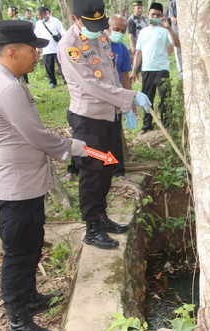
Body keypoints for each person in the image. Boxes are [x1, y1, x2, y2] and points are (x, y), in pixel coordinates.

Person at [0, 20, 88, 331]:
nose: (38, 54)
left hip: (23, 183)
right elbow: (36, 135)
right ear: (11, 51)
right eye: (31, 49)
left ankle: (30, 298)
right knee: (19, 253)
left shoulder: (9, 80)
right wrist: (74, 147)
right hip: (15, 187)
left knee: (31, 244)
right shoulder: (7, 87)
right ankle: (18, 323)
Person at [57, 0, 151, 250]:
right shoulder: (70, 46)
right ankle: (92, 228)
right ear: (76, 19)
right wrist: (131, 97)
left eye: (100, 24)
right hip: (89, 121)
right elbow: (92, 85)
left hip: (109, 116)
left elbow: (109, 74)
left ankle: (101, 216)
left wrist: (123, 106)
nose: (98, 30)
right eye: (91, 25)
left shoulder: (101, 36)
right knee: (93, 172)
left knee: (108, 167)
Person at [130, 2, 180, 135]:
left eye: (158, 15)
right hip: (147, 69)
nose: (155, 16)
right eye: (153, 14)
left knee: (165, 98)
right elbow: (138, 52)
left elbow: (176, 44)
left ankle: (166, 125)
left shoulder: (165, 31)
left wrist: (169, 28)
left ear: (162, 16)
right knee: (147, 99)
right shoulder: (143, 32)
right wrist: (134, 70)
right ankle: (146, 126)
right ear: (148, 14)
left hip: (162, 69)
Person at [109, 14, 134, 179]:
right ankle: (75, 168)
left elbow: (125, 75)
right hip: (98, 97)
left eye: (122, 31)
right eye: (116, 29)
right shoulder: (99, 45)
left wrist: (130, 101)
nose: (119, 33)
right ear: (107, 27)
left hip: (117, 96)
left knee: (115, 134)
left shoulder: (122, 48)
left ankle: (118, 170)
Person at [34, 6, 65, 88]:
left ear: (45, 14)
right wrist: (37, 48)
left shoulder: (55, 21)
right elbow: (37, 36)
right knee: (49, 67)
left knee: (62, 65)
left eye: (39, 15)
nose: (38, 17)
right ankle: (52, 82)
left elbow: (62, 32)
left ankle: (65, 79)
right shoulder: (39, 24)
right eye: (37, 15)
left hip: (57, 48)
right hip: (46, 49)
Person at [166, 0, 182, 79]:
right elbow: (173, 20)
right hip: (176, 34)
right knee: (178, 52)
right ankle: (181, 72)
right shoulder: (173, 3)